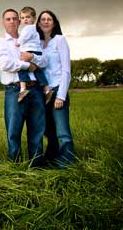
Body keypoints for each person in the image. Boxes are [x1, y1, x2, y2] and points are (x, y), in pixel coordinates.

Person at [0, 8, 47, 167]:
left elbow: (45, 61)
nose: (12, 21)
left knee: (37, 130)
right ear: (3, 22)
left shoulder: (33, 39)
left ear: (20, 21)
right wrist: (28, 65)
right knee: (14, 131)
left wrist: (34, 58)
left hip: (35, 89)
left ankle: (37, 166)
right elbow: (5, 64)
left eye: (15, 18)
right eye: (8, 19)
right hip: (15, 90)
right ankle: (15, 166)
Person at [36, 10, 75, 168]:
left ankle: (66, 163)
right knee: (48, 130)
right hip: (44, 92)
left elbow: (66, 69)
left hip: (58, 89)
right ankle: (51, 158)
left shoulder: (60, 40)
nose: (45, 22)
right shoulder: (37, 43)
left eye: (49, 19)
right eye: (42, 19)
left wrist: (61, 96)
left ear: (54, 23)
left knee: (62, 131)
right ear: (38, 23)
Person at [17, 7, 53, 103]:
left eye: (28, 17)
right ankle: (47, 89)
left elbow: (24, 38)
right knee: (37, 71)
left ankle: (23, 88)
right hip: (37, 51)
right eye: (23, 17)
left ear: (34, 19)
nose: (25, 19)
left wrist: (18, 43)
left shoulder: (28, 28)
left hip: (29, 50)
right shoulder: (37, 29)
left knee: (21, 68)